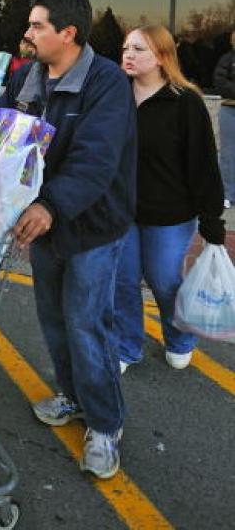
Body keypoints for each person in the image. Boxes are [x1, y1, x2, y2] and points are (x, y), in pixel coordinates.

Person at [0, 0, 136, 480]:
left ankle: (104, 425)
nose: (28, 35)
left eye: (37, 26)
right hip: (43, 222)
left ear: (68, 33)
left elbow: (96, 162)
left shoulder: (107, 83)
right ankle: (72, 397)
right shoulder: (25, 77)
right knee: (54, 320)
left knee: (86, 326)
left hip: (91, 227)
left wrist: (50, 206)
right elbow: (1, 135)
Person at [115, 25, 225, 373]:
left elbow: (203, 164)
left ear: (162, 57)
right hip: (122, 210)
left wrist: (211, 219)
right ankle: (126, 345)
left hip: (171, 214)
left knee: (163, 280)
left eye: (139, 49)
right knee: (122, 280)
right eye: (126, 48)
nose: (129, 55)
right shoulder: (114, 97)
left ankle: (179, 339)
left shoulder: (184, 101)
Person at [213, 27, 235, 209]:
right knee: (228, 154)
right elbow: (220, 82)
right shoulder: (227, 59)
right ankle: (228, 193)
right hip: (231, 110)